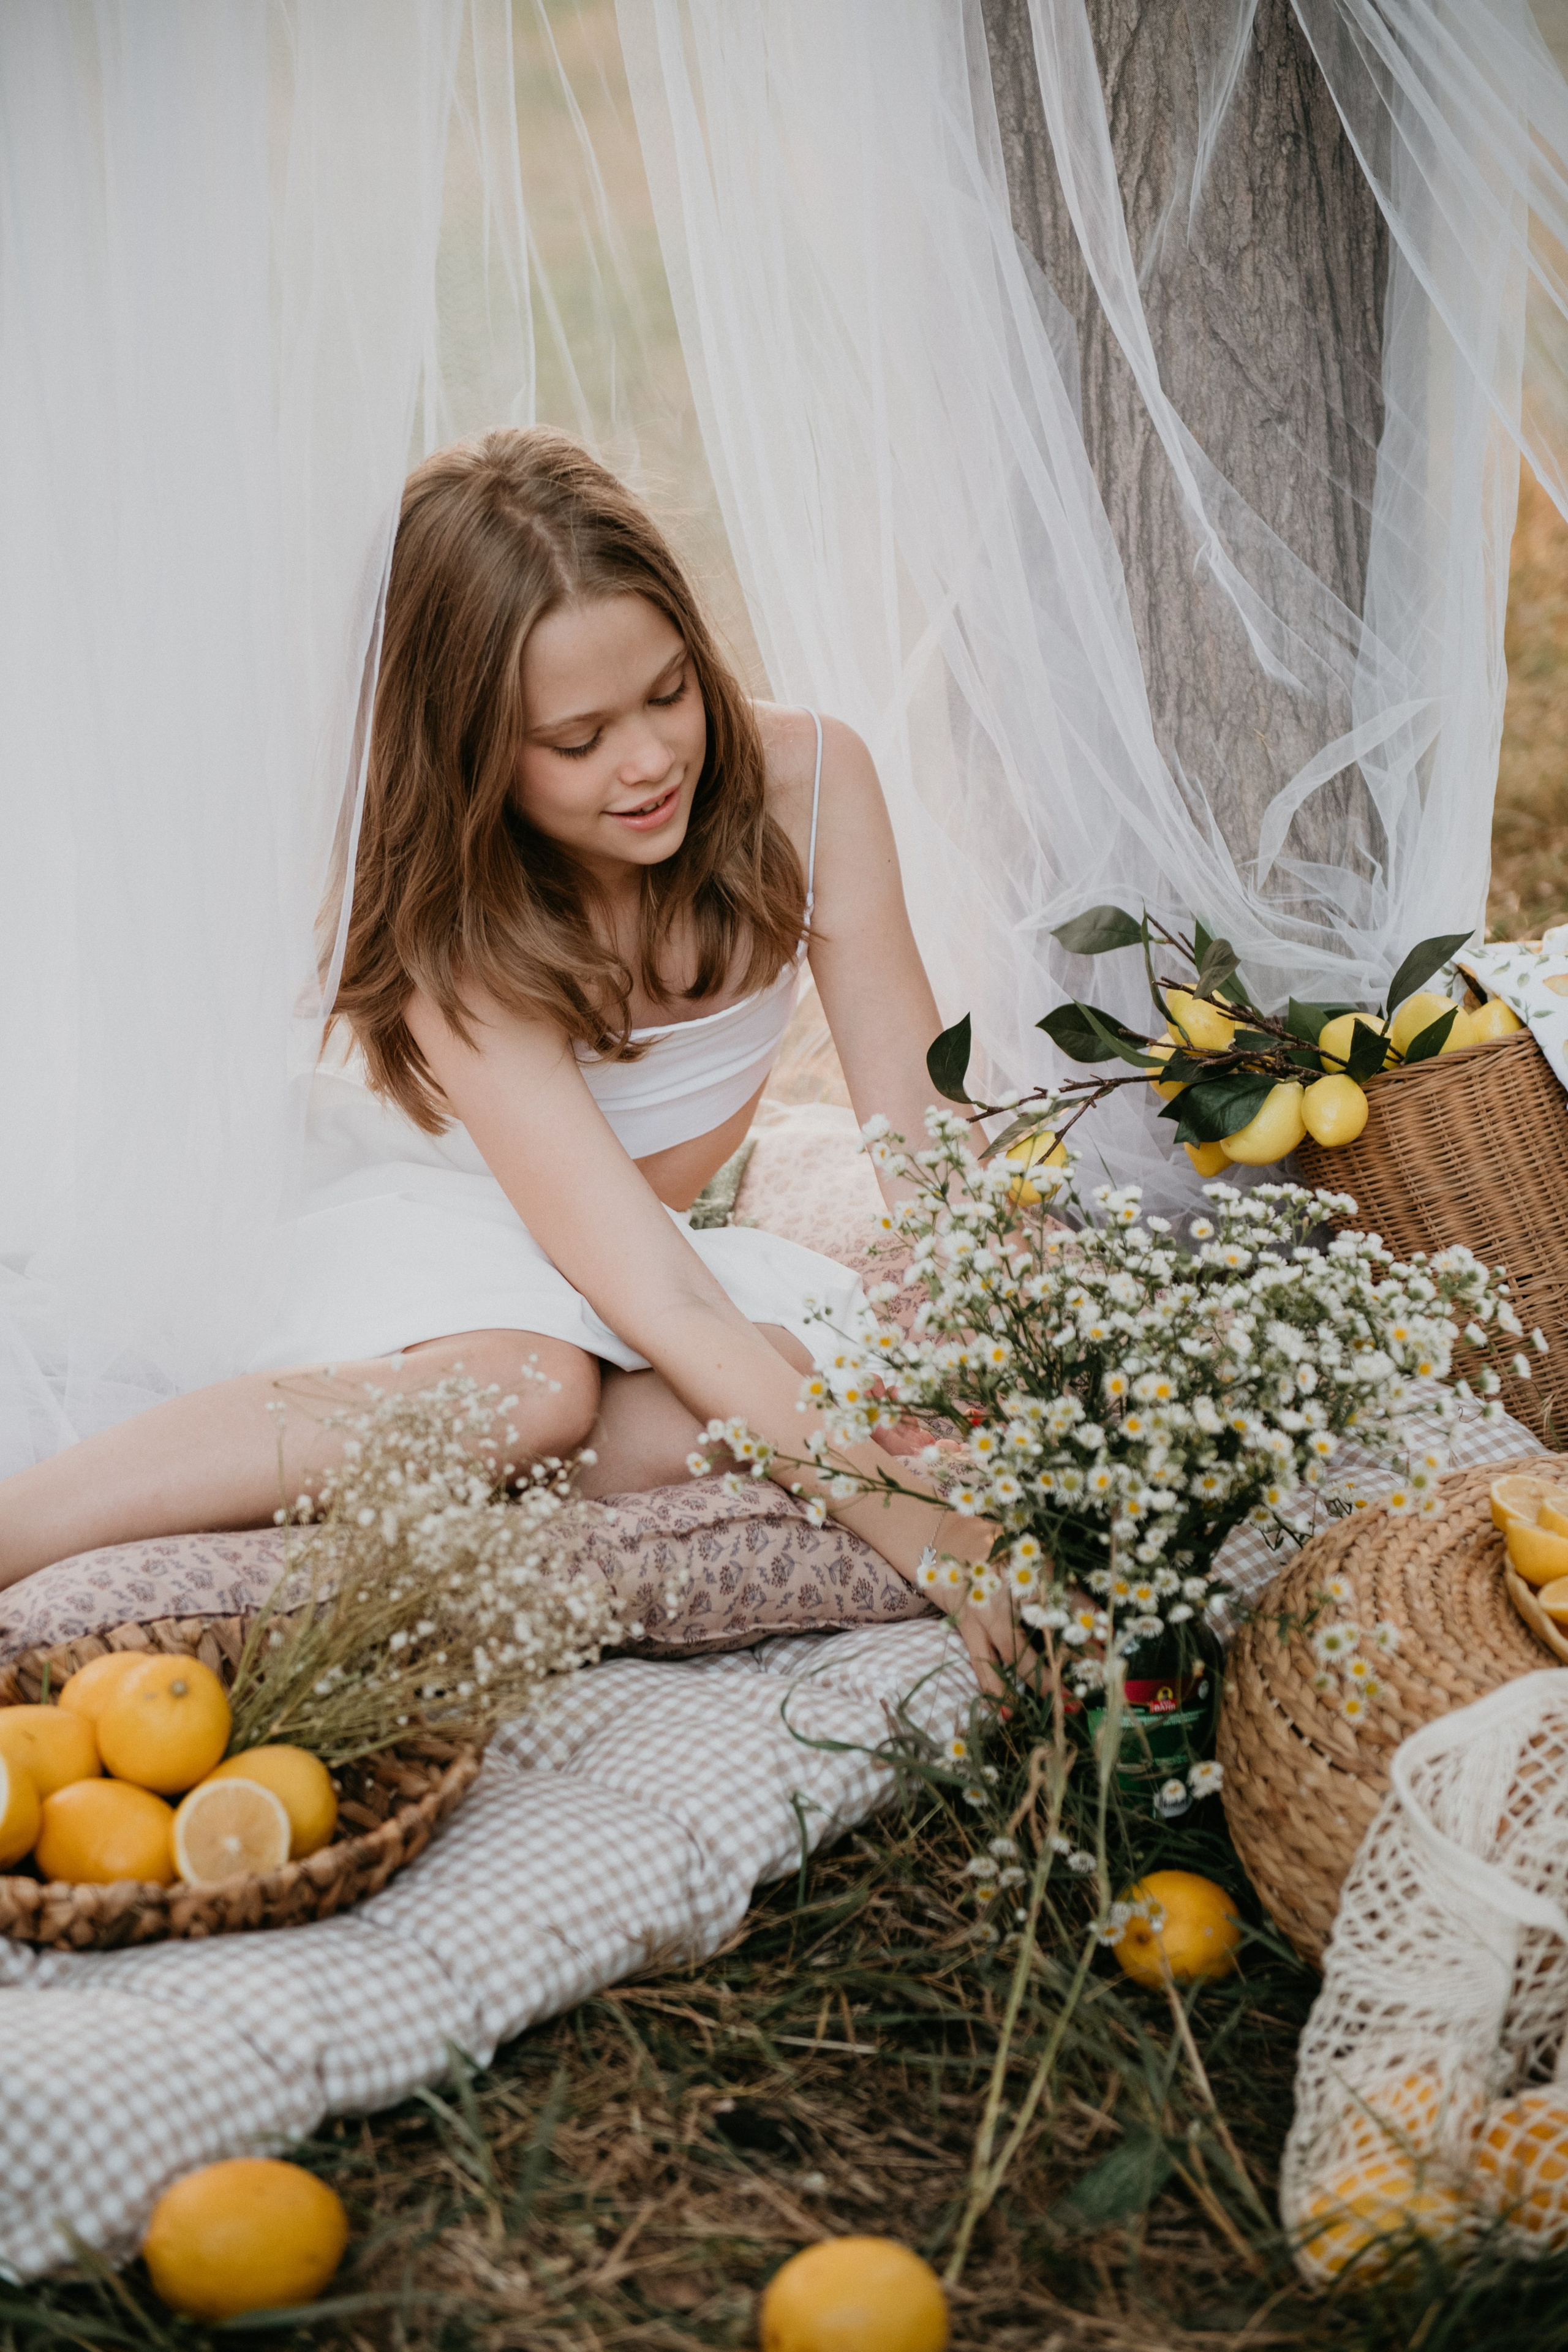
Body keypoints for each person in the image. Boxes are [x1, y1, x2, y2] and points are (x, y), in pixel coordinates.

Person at [0, 428, 1015, 1685]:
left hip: (615, 1273)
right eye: (576, 740)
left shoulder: (811, 785)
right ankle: (20, 1531)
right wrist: (913, 1523)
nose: (647, 762)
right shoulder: (455, 921)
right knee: (534, 1391)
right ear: (476, 745)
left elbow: (916, 1123)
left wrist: (1016, 1347)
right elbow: (660, 1293)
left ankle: (438, 1484)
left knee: (821, 1376)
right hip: (410, 1227)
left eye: (665, 694)